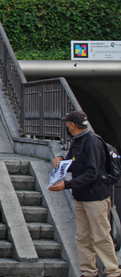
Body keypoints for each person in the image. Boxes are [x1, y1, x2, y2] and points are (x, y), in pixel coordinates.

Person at [50, 111, 121, 277]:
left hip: (95, 197)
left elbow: (92, 173)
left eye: (67, 124)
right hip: (81, 196)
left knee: (101, 235)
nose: (66, 126)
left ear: (72, 126)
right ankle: (89, 271)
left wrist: (66, 184)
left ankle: (113, 271)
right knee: (82, 236)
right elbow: (71, 163)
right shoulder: (77, 141)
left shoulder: (91, 142)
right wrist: (60, 159)